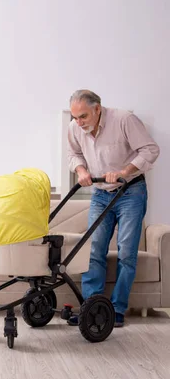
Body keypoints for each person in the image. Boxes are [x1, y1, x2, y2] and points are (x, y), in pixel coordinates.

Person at [67, 90, 160, 327]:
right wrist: (81, 171)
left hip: (130, 192)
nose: (79, 123)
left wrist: (123, 172)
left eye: (84, 116)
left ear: (98, 108)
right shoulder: (75, 128)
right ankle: (93, 308)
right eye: (75, 117)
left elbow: (150, 149)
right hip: (100, 194)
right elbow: (74, 154)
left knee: (127, 253)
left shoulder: (124, 120)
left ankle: (116, 310)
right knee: (94, 250)